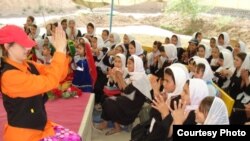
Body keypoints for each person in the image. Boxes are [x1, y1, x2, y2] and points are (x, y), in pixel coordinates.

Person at [0, 25, 81, 141]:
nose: (28, 48)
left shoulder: (28, 64)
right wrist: (58, 52)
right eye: (22, 45)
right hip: (24, 135)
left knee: (76, 138)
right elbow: (50, 82)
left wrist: (62, 50)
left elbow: (58, 75)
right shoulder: (9, 76)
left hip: (41, 128)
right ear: (7, 46)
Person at [99, 55, 152, 135]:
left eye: (130, 63)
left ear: (136, 65)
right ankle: (107, 123)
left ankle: (114, 126)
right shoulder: (134, 75)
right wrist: (115, 76)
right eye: (127, 63)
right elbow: (122, 89)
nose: (127, 65)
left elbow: (126, 91)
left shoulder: (140, 78)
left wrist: (119, 77)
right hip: (129, 100)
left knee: (109, 102)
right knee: (108, 99)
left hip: (132, 106)